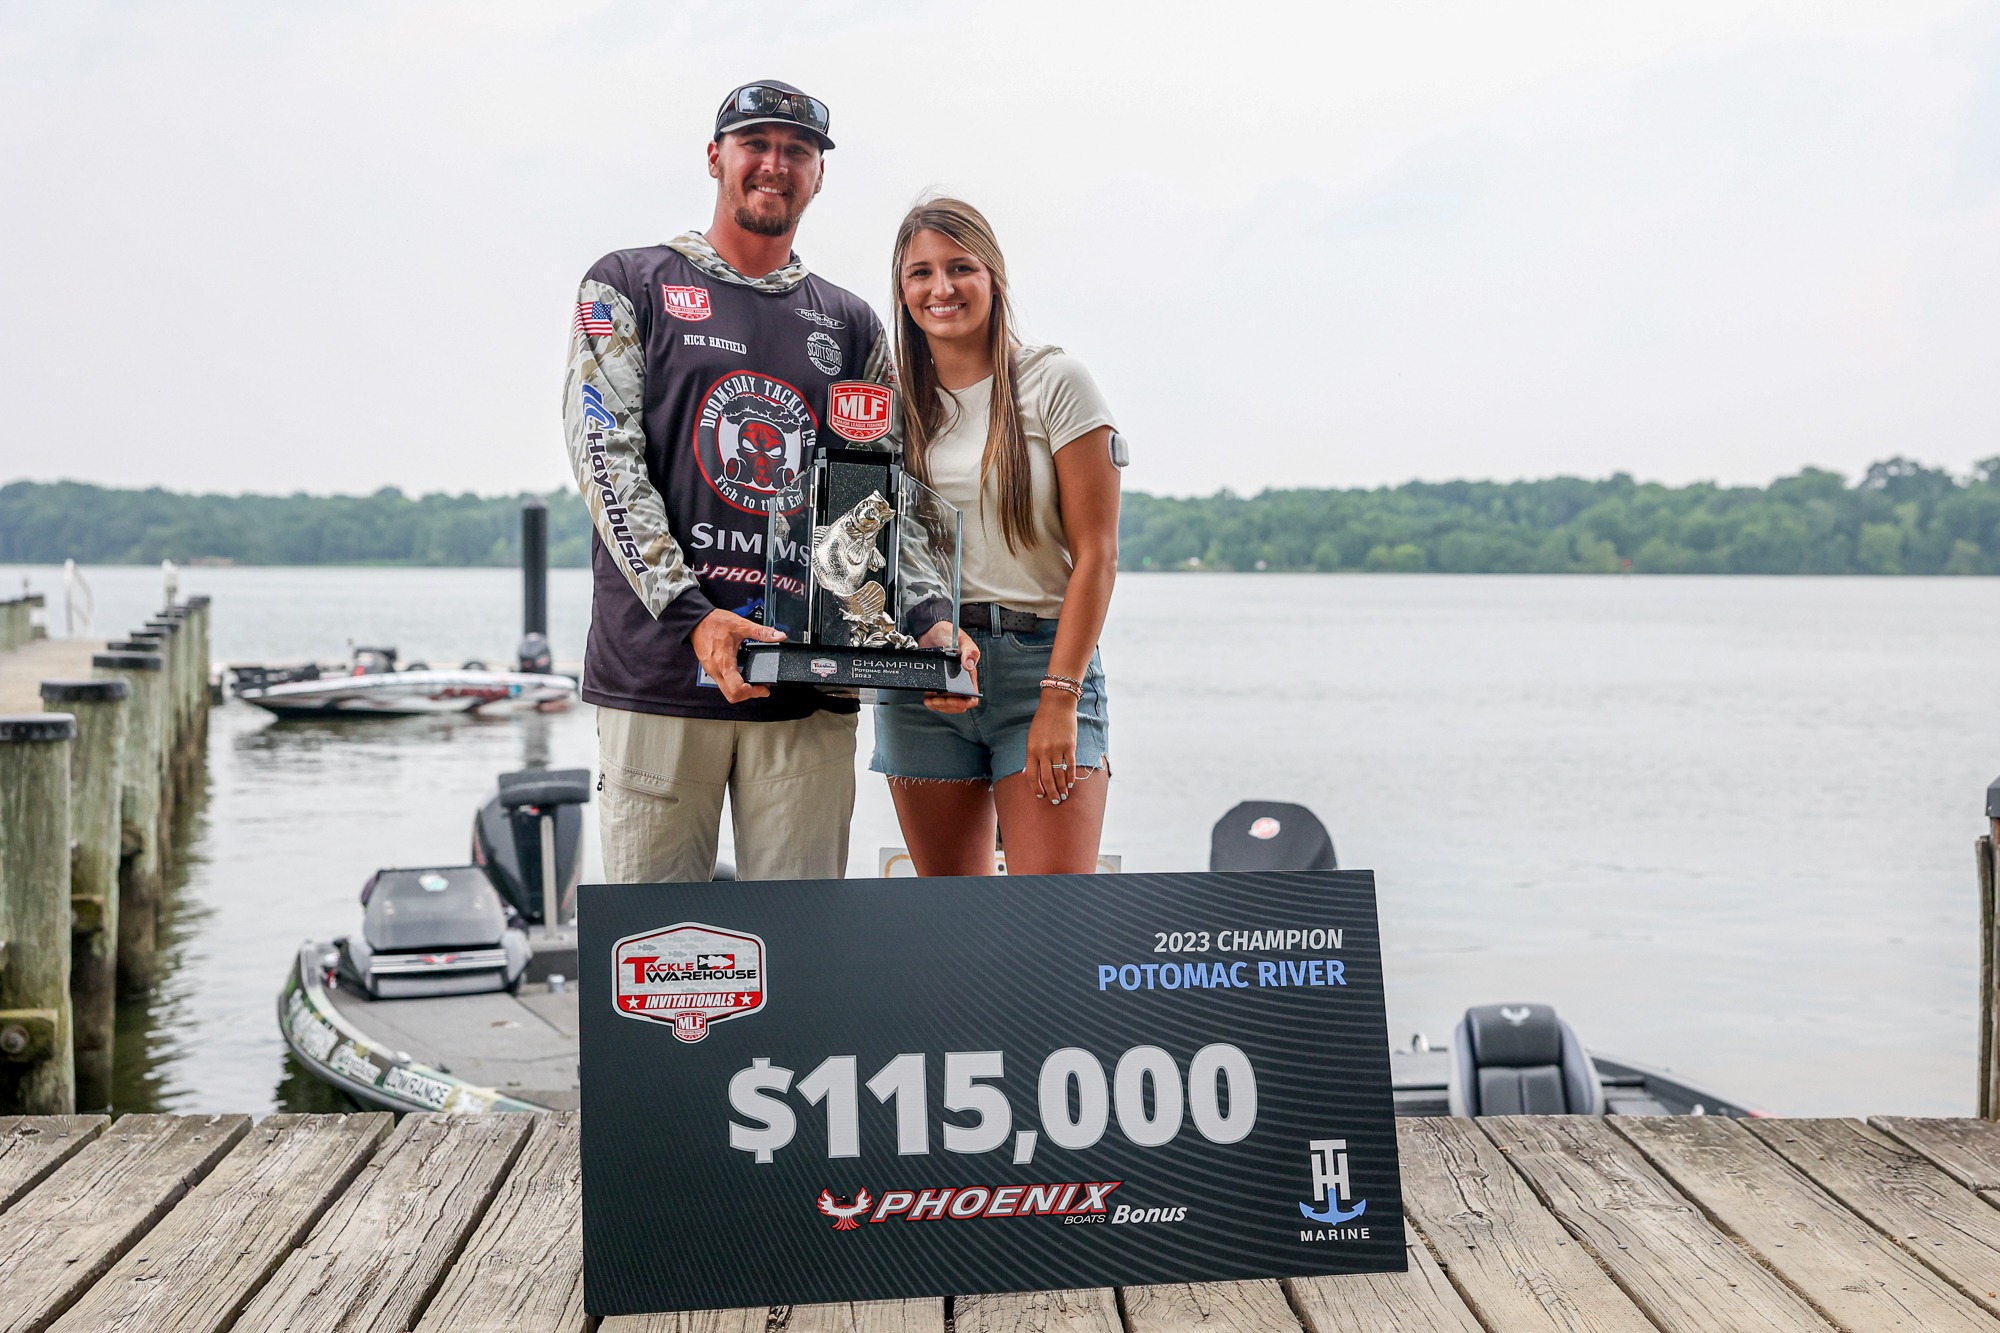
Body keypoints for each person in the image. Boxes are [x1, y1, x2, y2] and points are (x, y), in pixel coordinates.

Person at [563, 80, 890, 883]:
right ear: (715, 157)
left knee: (806, 943)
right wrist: (693, 615)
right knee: (654, 944)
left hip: (806, 692)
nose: (775, 164)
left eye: (797, 151)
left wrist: (905, 631)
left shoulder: (853, 326)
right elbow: (605, 460)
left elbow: (870, 504)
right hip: (660, 677)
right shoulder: (627, 283)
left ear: (818, 174)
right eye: (756, 144)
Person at [873, 198, 1123, 875]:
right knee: (956, 923)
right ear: (902, 289)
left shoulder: (1056, 382)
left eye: (961, 267)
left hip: (1041, 665)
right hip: (926, 674)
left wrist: (1059, 697)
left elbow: (1098, 555)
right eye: (921, 272)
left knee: (1050, 922)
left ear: (994, 277)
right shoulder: (889, 404)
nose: (942, 288)